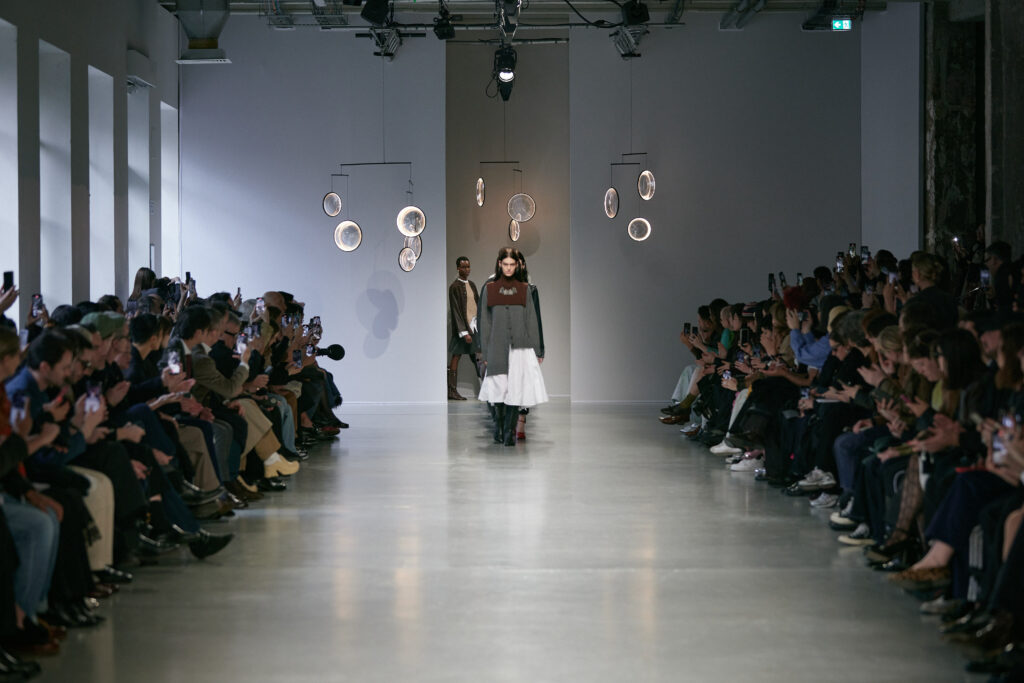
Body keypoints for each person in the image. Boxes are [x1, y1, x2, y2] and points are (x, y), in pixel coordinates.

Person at [477, 248, 548, 446]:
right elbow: (485, 321)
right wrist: (485, 351)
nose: (508, 268)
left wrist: (537, 349)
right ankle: (499, 428)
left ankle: (509, 432)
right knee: (499, 387)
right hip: (497, 345)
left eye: (512, 264)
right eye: (505, 264)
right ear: (500, 264)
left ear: (517, 266)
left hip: (520, 347)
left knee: (516, 388)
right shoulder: (490, 289)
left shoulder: (525, 289)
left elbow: (531, 320)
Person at [448, 257, 479, 401]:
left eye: (468, 266)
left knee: (478, 357)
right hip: (463, 330)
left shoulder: (472, 284)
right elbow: (456, 311)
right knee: (456, 355)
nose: (467, 269)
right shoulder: (454, 287)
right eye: (464, 267)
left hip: (474, 326)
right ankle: (452, 390)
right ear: (458, 268)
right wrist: (464, 332)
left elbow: (477, 304)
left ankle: (486, 389)